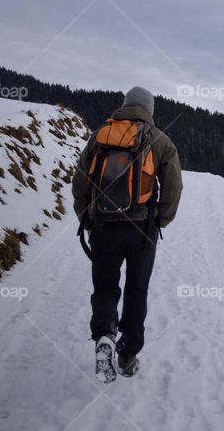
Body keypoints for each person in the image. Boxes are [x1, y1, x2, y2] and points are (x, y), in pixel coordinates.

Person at [72, 86, 182, 382]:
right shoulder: (160, 141)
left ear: (125, 105)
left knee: (106, 286)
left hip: (104, 227)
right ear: (150, 110)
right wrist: (159, 220)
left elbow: (80, 181)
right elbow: (173, 188)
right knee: (136, 290)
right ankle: (127, 352)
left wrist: (87, 218)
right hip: (141, 230)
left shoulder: (100, 135)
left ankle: (105, 334)